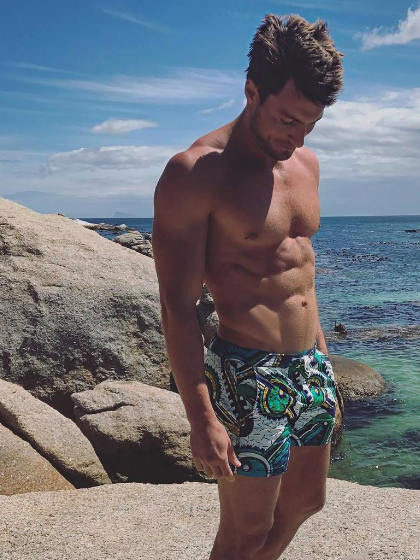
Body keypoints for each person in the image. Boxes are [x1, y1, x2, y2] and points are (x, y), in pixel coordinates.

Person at [152, 13, 344, 560]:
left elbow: (301, 278)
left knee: (307, 503)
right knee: (246, 531)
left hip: (309, 367)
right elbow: (176, 305)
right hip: (246, 374)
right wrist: (201, 417)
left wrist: (325, 367)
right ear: (251, 90)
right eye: (287, 119)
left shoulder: (305, 163)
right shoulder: (195, 173)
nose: (297, 137)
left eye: (309, 123)